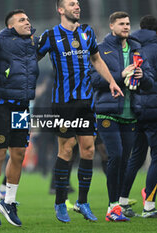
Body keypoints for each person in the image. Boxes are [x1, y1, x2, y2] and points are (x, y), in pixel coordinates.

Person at [37, 0, 123, 223]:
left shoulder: (87, 32)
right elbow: (30, 60)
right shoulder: (50, 36)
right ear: (60, 9)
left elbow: (96, 59)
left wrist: (112, 82)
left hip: (86, 101)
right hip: (63, 103)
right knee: (66, 149)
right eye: (71, 3)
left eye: (77, 3)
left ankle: (82, 202)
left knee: (88, 149)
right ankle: (59, 202)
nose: (77, 6)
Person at [91, 11, 153, 222]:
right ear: (111, 26)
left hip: (131, 112)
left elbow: (151, 81)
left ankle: (116, 205)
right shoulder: (100, 49)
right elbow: (94, 80)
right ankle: (112, 207)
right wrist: (120, 75)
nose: (126, 27)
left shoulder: (137, 49)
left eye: (128, 23)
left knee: (124, 160)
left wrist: (142, 76)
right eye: (121, 24)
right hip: (108, 112)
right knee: (115, 155)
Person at [0, 9, 39, 227]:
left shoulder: (34, 43)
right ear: (10, 26)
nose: (27, 22)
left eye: (28, 18)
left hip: (23, 107)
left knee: (19, 154)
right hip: (2, 106)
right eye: (22, 20)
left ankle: (10, 202)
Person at [118, 15, 157, 218]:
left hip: (136, 110)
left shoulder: (131, 48)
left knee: (135, 158)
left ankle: (121, 203)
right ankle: (149, 206)